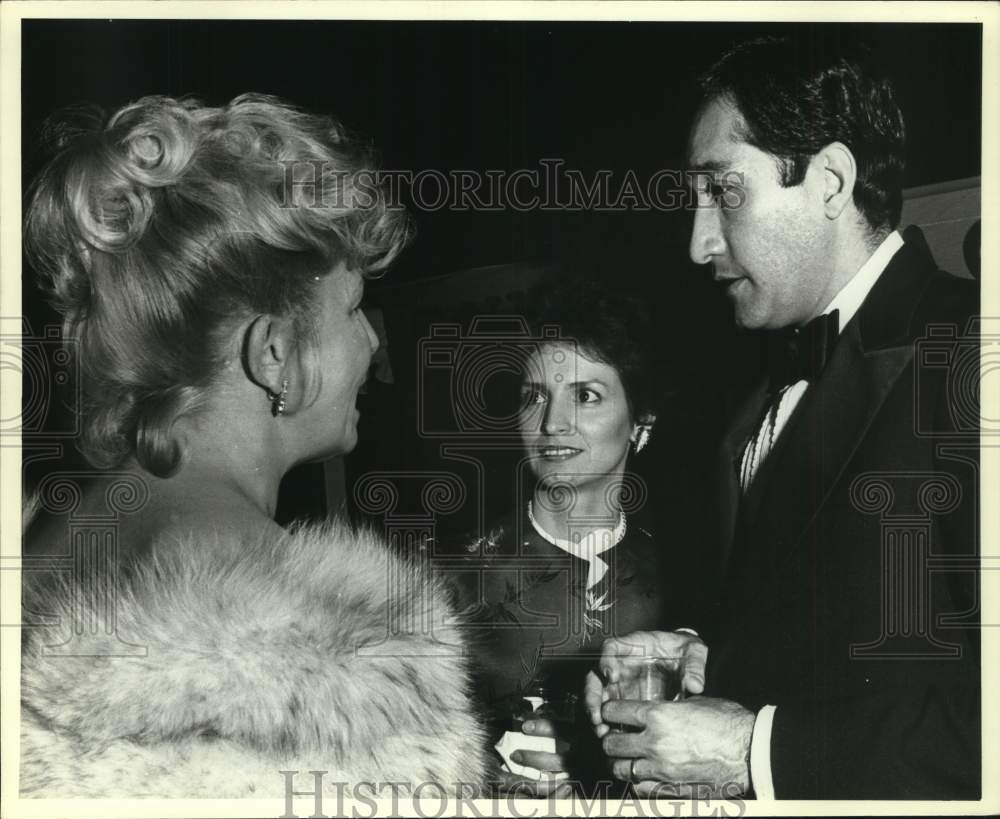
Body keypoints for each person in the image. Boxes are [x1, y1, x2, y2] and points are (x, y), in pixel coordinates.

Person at [19, 94, 488, 797]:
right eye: (355, 307)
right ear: (274, 355)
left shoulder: (42, 532)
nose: (371, 341)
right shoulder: (350, 655)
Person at [586, 36, 980, 799]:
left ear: (831, 181)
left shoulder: (972, 350)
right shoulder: (759, 394)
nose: (698, 243)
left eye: (723, 190)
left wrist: (756, 752)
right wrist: (702, 658)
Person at [442, 279, 678, 795]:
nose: (552, 423)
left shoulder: (684, 575)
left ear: (642, 419)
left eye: (586, 396)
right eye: (535, 397)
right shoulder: (453, 579)